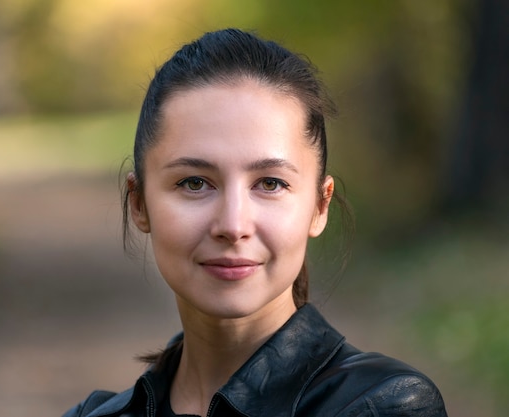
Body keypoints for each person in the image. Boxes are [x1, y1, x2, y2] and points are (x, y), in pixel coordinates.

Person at [63, 28, 447, 417]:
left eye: (270, 183)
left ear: (319, 206)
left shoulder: (384, 405)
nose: (233, 224)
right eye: (194, 183)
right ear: (139, 204)